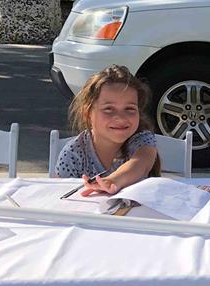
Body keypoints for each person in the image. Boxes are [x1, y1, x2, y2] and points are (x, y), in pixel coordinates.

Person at [55, 65, 160, 195]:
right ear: (87, 114)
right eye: (108, 109)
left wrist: (113, 180)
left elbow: (140, 164)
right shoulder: (73, 154)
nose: (120, 118)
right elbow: (60, 198)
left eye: (130, 109)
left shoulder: (142, 140)